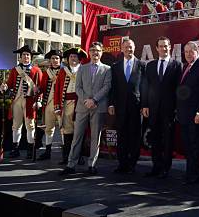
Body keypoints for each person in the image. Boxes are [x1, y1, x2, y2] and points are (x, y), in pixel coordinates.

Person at [60, 41, 112, 175]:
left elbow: (107, 87)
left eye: (98, 50)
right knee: (77, 137)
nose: (95, 53)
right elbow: (78, 87)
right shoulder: (82, 68)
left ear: (102, 52)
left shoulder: (107, 69)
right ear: (89, 52)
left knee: (96, 137)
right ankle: (71, 164)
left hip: (98, 106)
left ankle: (92, 165)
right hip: (83, 107)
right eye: (93, 50)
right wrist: (86, 100)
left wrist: (94, 100)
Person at [141, 36, 182, 178]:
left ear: (170, 47)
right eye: (161, 46)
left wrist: (177, 108)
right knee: (155, 138)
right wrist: (145, 105)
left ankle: (166, 168)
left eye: (166, 46)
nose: (163, 48)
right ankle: (156, 166)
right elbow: (145, 86)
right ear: (156, 48)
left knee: (168, 140)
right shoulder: (150, 65)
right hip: (153, 110)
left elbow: (179, 89)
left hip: (169, 110)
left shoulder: (177, 65)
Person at [108, 39, 146, 174]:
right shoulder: (115, 66)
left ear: (134, 48)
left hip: (136, 107)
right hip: (120, 107)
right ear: (121, 49)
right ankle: (122, 163)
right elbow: (113, 87)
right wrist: (111, 103)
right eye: (125, 47)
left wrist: (144, 105)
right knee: (122, 135)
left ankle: (132, 164)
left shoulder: (142, 65)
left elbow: (145, 88)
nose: (128, 50)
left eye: (130, 47)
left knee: (134, 136)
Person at [176, 41, 199, 185]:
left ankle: (195, 175)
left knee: (196, 146)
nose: (188, 54)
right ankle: (190, 173)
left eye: (191, 51)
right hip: (185, 115)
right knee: (189, 146)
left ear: (198, 51)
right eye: (186, 51)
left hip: (196, 116)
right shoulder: (186, 66)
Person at [0, 45, 42, 159]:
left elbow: (40, 88)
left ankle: (30, 149)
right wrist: (5, 87)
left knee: (30, 126)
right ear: (20, 57)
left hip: (29, 102)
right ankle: (15, 149)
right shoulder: (15, 70)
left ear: (31, 57)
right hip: (17, 100)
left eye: (28, 55)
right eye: (24, 55)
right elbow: (9, 83)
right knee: (16, 125)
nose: (26, 57)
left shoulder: (37, 70)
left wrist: (38, 101)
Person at [54, 47, 87, 165]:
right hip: (66, 105)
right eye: (71, 57)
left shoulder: (84, 70)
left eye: (75, 57)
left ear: (79, 59)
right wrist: (57, 106)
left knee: (80, 132)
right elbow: (57, 89)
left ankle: (80, 156)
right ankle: (66, 156)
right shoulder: (63, 71)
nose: (73, 59)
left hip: (80, 105)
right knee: (67, 132)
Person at [36, 49, 62, 160]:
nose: (55, 60)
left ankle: (66, 153)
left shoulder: (65, 71)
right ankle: (47, 151)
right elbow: (42, 87)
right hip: (48, 103)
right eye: (52, 58)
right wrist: (37, 90)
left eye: (57, 58)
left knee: (63, 129)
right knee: (49, 129)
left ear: (60, 60)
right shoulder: (47, 73)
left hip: (60, 105)